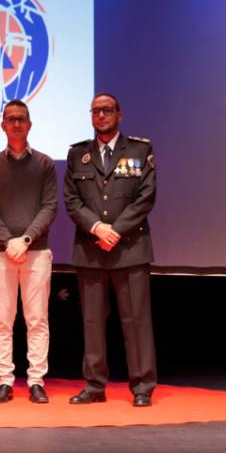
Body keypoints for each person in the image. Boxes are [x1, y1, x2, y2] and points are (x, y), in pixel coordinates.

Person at [63, 93, 157, 407]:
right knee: (92, 322)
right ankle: (94, 386)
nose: (101, 116)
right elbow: (72, 200)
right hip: (91, 249)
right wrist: (97, 228)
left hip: (130, 248)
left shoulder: (140, 150)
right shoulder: (78, 154)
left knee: (136, 322)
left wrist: (116, 230)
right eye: (96, 111)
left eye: (106, 110)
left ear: (119, 114)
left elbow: (146, 197)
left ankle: (142, 387)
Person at [0, 100, 57, 404]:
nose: (16, 124)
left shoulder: (45, 164)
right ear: (2, 126)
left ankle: (36, 380)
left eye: (21, 119)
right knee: (2, 319)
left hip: (36, 251)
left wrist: (24, 240)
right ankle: (5, 381)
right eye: (11, 119)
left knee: (37, 319)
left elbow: (49, 206)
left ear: (30, 124)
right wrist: (7, 241)